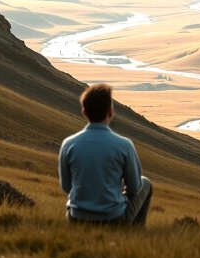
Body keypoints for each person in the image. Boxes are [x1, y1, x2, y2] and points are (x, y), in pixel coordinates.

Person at [59, 84, 152, 226]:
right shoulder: (124, 145)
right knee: (145, 182)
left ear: (84, 111)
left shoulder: (69, 144)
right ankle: (136, 232)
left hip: (76, 218)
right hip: (113, 219)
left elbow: (66, 187)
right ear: (110, 111)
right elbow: (134, 188)